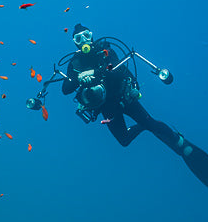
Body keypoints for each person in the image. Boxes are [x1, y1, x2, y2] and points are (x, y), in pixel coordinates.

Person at [62, 23, 193, 156]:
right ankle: (142, 126)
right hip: (106, 107)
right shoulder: (74, 63)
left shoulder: (105, 51)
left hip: (123, 96)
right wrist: (79, 78)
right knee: (124, 140)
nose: (84, 40)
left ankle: (178, 140)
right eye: (79, 38)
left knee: (152, 124)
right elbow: (65, 89)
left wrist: (93, 72)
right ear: (75, 42)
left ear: (91, 36)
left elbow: (115, 69)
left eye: (86, 35)